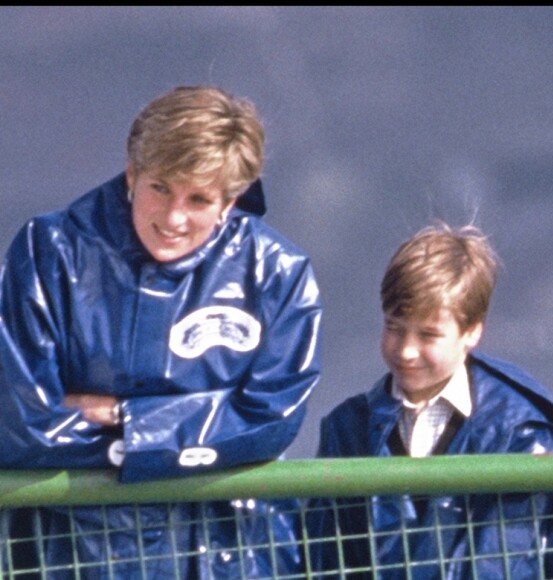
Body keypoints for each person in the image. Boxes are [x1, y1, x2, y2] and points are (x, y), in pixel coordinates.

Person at [0, 85, 322, 578]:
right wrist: (200, 429)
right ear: (133, 174)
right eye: (160, 188)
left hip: (229, 558)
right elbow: (20, 426)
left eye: (198, 199)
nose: (173, 218)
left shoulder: (276, 271)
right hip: (69, 556)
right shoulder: (50, 252)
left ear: (230, 203)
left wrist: (128, 422)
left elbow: (271, 420)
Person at [306, 221, 553, 579]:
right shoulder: (347, 427)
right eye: (394, 328)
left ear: (472, 332)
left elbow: (538, 556)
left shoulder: (518, 433)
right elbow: (324, 558)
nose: (406, 350)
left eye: (429, 335)